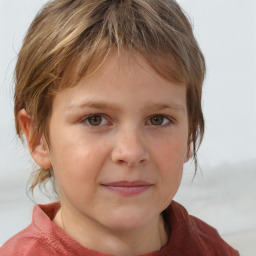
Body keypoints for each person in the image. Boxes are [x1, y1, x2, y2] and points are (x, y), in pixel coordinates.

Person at [0, 0, 239, 255]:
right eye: (95, 119)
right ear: (38, 138)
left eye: (157, 119)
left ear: (190, 133)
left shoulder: (213, 249)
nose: (132, 152)